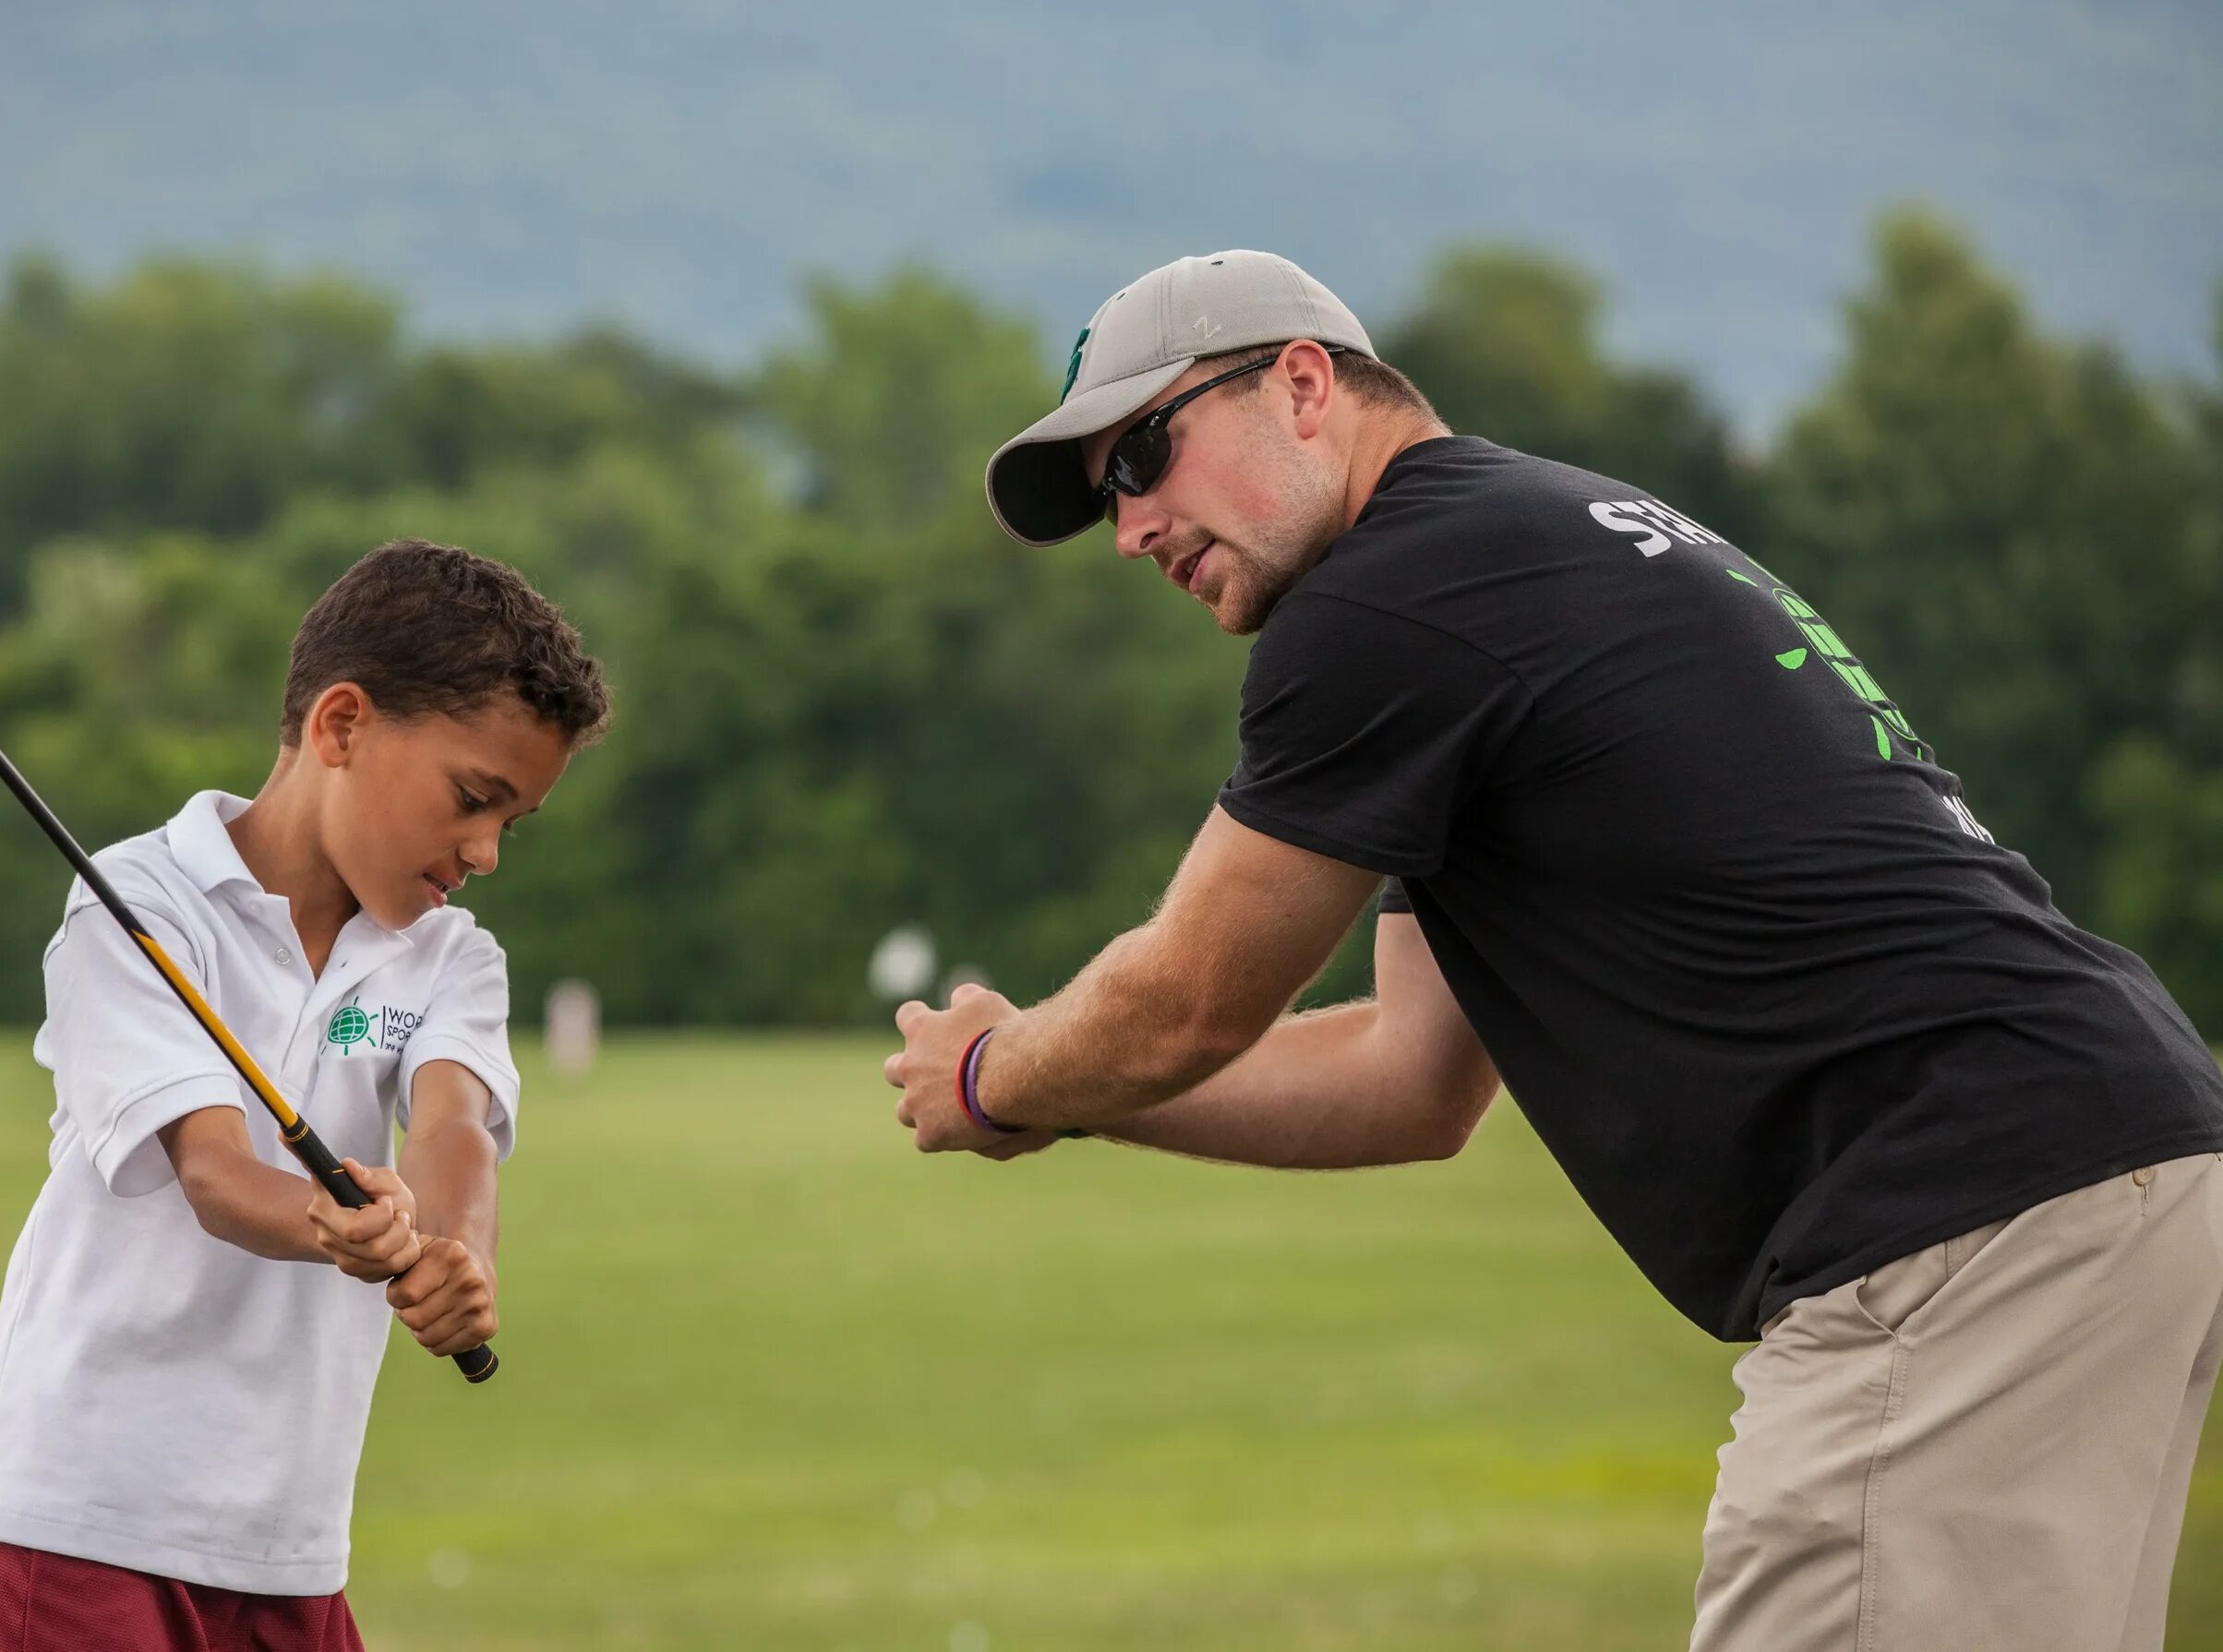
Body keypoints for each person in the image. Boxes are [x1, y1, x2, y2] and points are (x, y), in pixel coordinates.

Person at [884, 249, 2223, 1649]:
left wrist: (999, 1076)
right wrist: (1071, 1099)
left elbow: (1191, 1001)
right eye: (1108, 491)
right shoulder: (1508, 552)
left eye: (1146, 452)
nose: (1131, 524)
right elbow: (1408, 1081)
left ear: (1299, 385)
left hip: (1954, 1219)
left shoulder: (1383, 603)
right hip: (2094, 1164)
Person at [0, 539, 608, 1652]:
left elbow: (454, 1125)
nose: (488, 851)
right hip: (83, 1522)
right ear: (340, 726)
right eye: (473, 797)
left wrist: (457, 1254)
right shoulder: (140, 902)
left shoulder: (448, 955)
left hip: (290, 1544)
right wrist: (333, 1216)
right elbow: (210, 1171)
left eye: (512, 821)